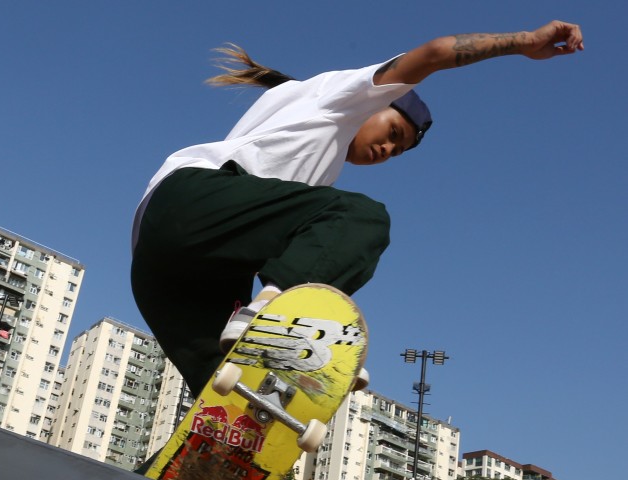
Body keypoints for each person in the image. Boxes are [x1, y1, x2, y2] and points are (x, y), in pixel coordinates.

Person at [131, 21, 584, 398]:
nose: (387, 149)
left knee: (233, 395)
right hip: (189, 203)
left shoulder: (310, 175)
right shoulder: (336, 94)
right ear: (377, 105)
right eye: (392, 133)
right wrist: (523, 42)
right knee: (362, 219)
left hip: (166, 272)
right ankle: (283, 325)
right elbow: (433, 53)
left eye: (398, 150)